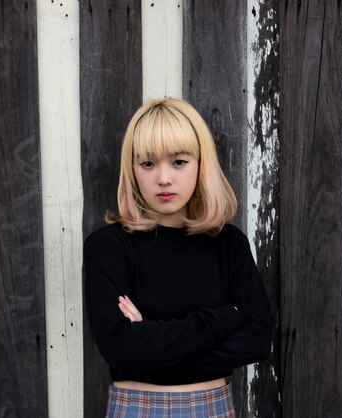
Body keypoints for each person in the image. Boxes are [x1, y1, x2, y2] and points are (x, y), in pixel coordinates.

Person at [83, 98, 274, 417]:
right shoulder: (109, 247)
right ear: (132, 170)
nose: (163, 179)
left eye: (179, 162)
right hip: (137, 409)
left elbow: (257, 340)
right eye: (147, 164)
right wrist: (224, 316)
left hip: (211, 408)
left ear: (201, 163)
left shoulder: (228, 244)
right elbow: (119, 348)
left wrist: (150, 342)